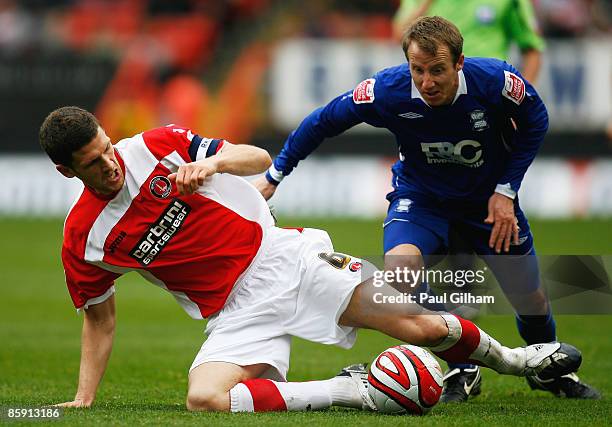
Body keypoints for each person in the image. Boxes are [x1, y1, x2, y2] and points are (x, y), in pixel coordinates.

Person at [39, 106, 582, 412]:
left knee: (414, 323)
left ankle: (517, 361)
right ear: (68, 172)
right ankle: (355, 390)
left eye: (108, 147)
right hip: (234, 312)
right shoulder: (85, 237)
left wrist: (215, 164)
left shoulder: (154, 146)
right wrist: (83, 400)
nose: (112, 163)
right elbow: (99, 317)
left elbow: (258, 157)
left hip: (286, 259)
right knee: (205, 399)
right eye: (94, 162)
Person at [253, 16, 600, 402]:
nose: (427, 82)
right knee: (400, 273)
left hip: (487, 204)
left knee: (531, 298)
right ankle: (463, 366)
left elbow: (537, 120)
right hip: (422, 201)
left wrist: (506, 190)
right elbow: (324, 121)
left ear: (459, 63)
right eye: (418, 70)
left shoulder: (496, 81)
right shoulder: (388, 90)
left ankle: (550, 370)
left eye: (437, 70)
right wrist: (275, 173)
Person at [392, 0, 544, 84]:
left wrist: (521, 100)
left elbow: (532, 48)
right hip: (438, 91)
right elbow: (400, 34)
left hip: (490, 92)